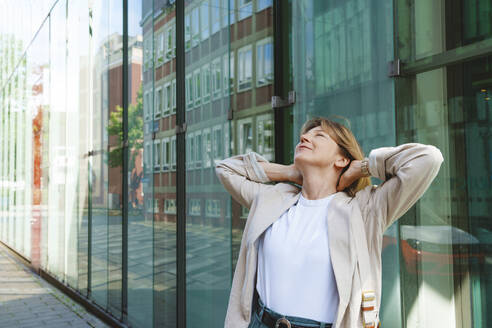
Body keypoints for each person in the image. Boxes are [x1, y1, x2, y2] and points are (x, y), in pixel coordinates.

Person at [215, 117, 443, 328]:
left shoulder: (364, 210)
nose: (304, 138)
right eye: (304, 136)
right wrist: (288, 172)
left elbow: (428, 159)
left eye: (319, 136)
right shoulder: (273, 199)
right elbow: (225, 169)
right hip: (261, 322)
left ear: (342, 159)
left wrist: (362, 167)